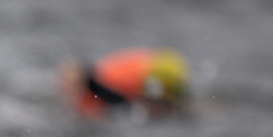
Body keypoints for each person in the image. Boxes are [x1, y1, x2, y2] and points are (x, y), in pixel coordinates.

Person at [58, 48, 190, 119]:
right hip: (161, 64)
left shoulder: (98, 88)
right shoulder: (97, 86)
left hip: (160, 71)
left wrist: (88, 81)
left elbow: (123, 103)